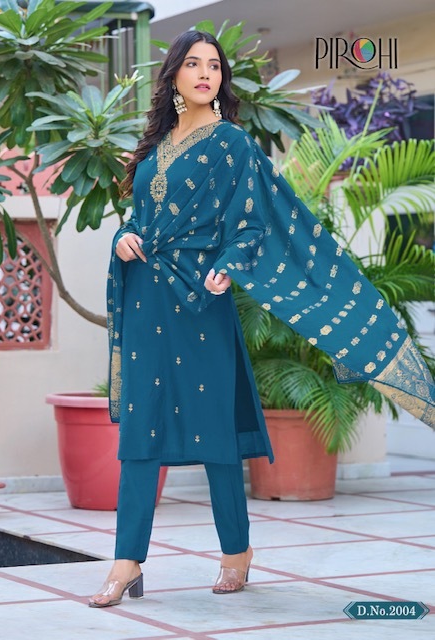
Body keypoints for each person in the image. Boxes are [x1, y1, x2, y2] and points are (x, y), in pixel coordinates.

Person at [90, 30, 435, 607]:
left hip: (201, 299)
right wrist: (123, 237)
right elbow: (137, 217)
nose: (206, 73)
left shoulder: (232, 144)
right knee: (140, 431)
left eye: (214, 65)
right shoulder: (153, 148)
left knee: (216, 432)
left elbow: (251, 222)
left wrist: (228, 265)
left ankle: (236, 551)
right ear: (173, 75)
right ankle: (127, 561)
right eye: (193, 64)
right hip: (149, 296)